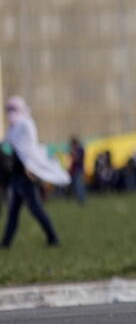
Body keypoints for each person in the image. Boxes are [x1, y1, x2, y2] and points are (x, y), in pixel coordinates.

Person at [1, 96, 69, 248]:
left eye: (13, 109)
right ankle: (6, 243)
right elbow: (8, 145)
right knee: (13, 212)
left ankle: (53, 237)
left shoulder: (26, 124)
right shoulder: (13, 128)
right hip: (16, 174)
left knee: (36, 209)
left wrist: (30, 166)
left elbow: (30, 149)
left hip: (27, 175)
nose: (10, 113)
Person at [68, 136, 86, 204]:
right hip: (74, 171)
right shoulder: (76, 150)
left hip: (79, 170)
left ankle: (82, 200)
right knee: (76, 186)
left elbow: (77, 159)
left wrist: (73, 153)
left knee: (79, 185)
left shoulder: (80, 150)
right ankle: (78, 199)